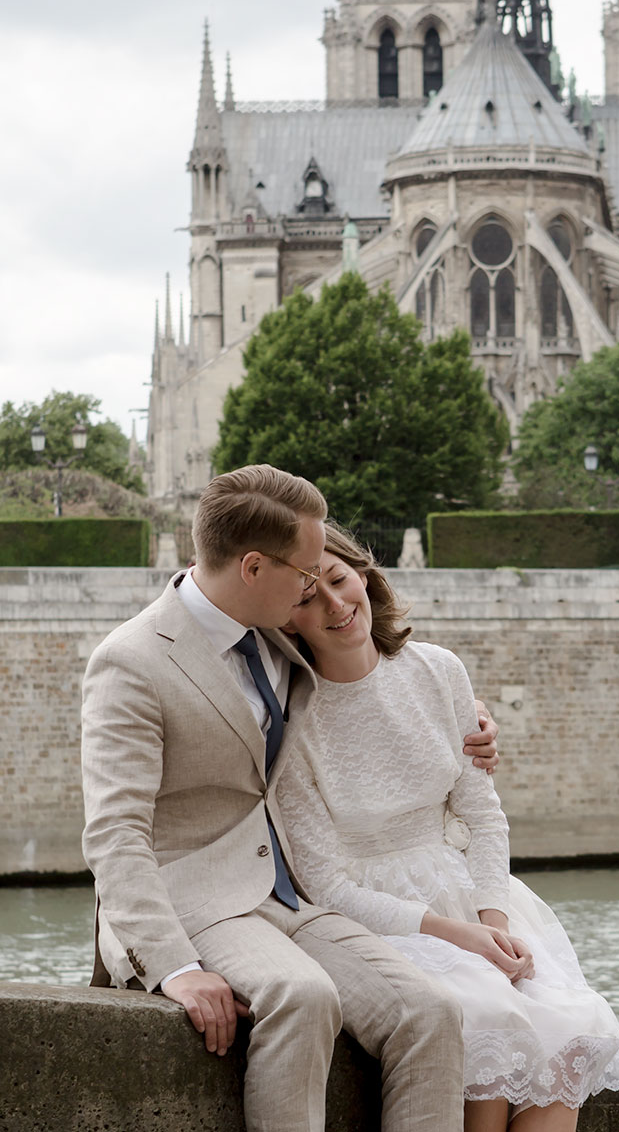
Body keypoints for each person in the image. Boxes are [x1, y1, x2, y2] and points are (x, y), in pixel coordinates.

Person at [81, 464, 497, 1132]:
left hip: (287, 891)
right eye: (305, 574)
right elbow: (115, 835)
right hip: (192, 900)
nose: (315, 590)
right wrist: (174, 967)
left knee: (432, 1013)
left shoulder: (273, 630)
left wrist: (468, 721)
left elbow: (368, 686)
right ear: (252, 568)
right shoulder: (131, 661)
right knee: (303, 996)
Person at [278, 523, 619, 1131]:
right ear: (287, 620)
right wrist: (460, 937)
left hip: (467, 889)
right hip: (381, 917)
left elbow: (484, 815)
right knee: (490, 1016)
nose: (335, 604)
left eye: (339, 580)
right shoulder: (290, 719)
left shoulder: (439, 670)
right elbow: (327, 888)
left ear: (363, 575)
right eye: (309, 597)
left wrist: (491, 920)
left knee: (572, 1028)